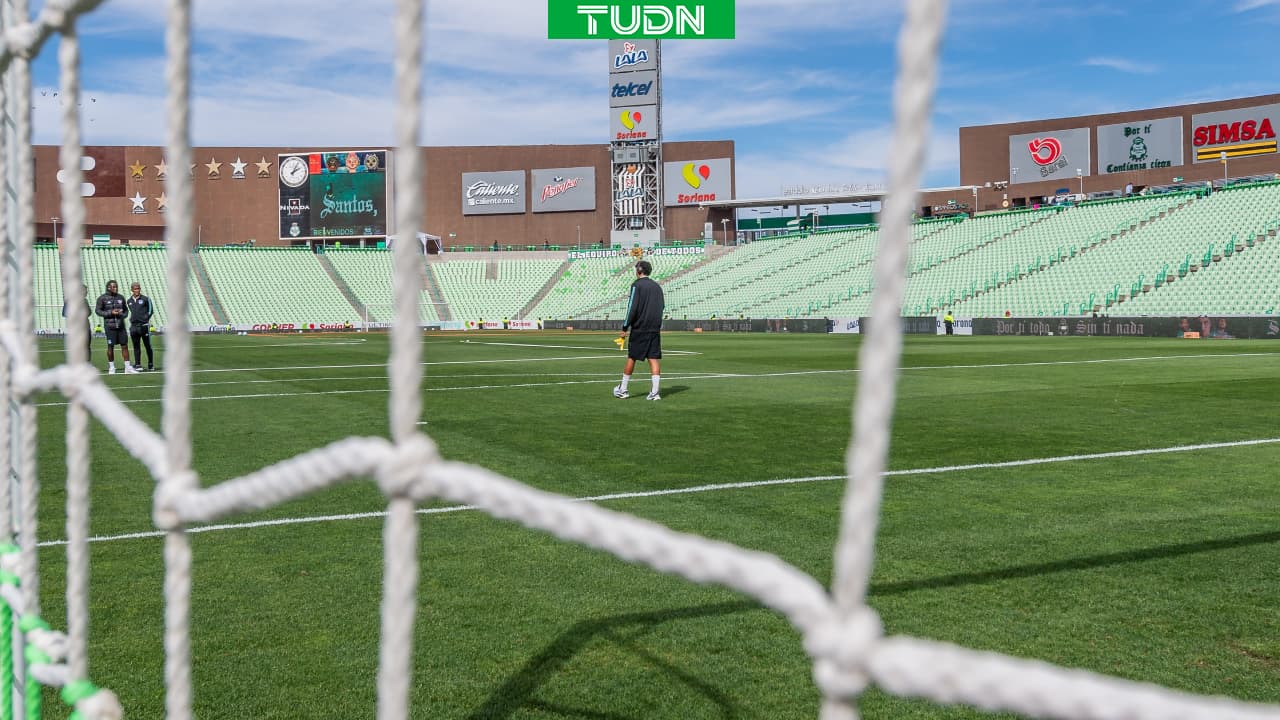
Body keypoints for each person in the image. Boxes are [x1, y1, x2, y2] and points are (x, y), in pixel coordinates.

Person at [614, 260, 664, 401]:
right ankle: (655, 393)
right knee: (653, 359)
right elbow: (662, 307)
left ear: (639, 271)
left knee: (632, 357)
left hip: (640, 328)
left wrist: (625, 327)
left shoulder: (636, 285)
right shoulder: (657, 287)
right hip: (654, 329)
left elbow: (632, 308)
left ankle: (623, 390)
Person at [95, 280, 139, 374]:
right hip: (109, 327)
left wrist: (122, 315)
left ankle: (127, 367)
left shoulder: (121, 297)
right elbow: (98, 311)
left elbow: (126, 311)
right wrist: (110, 313)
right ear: (108, 287)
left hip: (121, 326)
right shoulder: (102, 298)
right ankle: (112, 367)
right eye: (114, 287)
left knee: (124, 346)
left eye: (116, 286)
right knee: (110, 346)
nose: (116, 288)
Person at [127, 282, 156, 371]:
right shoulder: (129, 301)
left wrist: (145, 319)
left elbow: (150, 311)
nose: (137, 290)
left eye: (138, 288)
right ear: (132, 290)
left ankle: (150, 364)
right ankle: (138, 364)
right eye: (135, 289)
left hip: (144, 326)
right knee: (136, 346)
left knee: (148, 346)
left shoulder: (146, 299)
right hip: (134, 327)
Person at [62, 282, 92, 359]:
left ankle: (87, 364)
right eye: (85, 291)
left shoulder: (85, 301)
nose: (86, 292)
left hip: (86, 326)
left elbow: (89, 312)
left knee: (87, 346)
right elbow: (65, 313)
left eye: (86, 291)